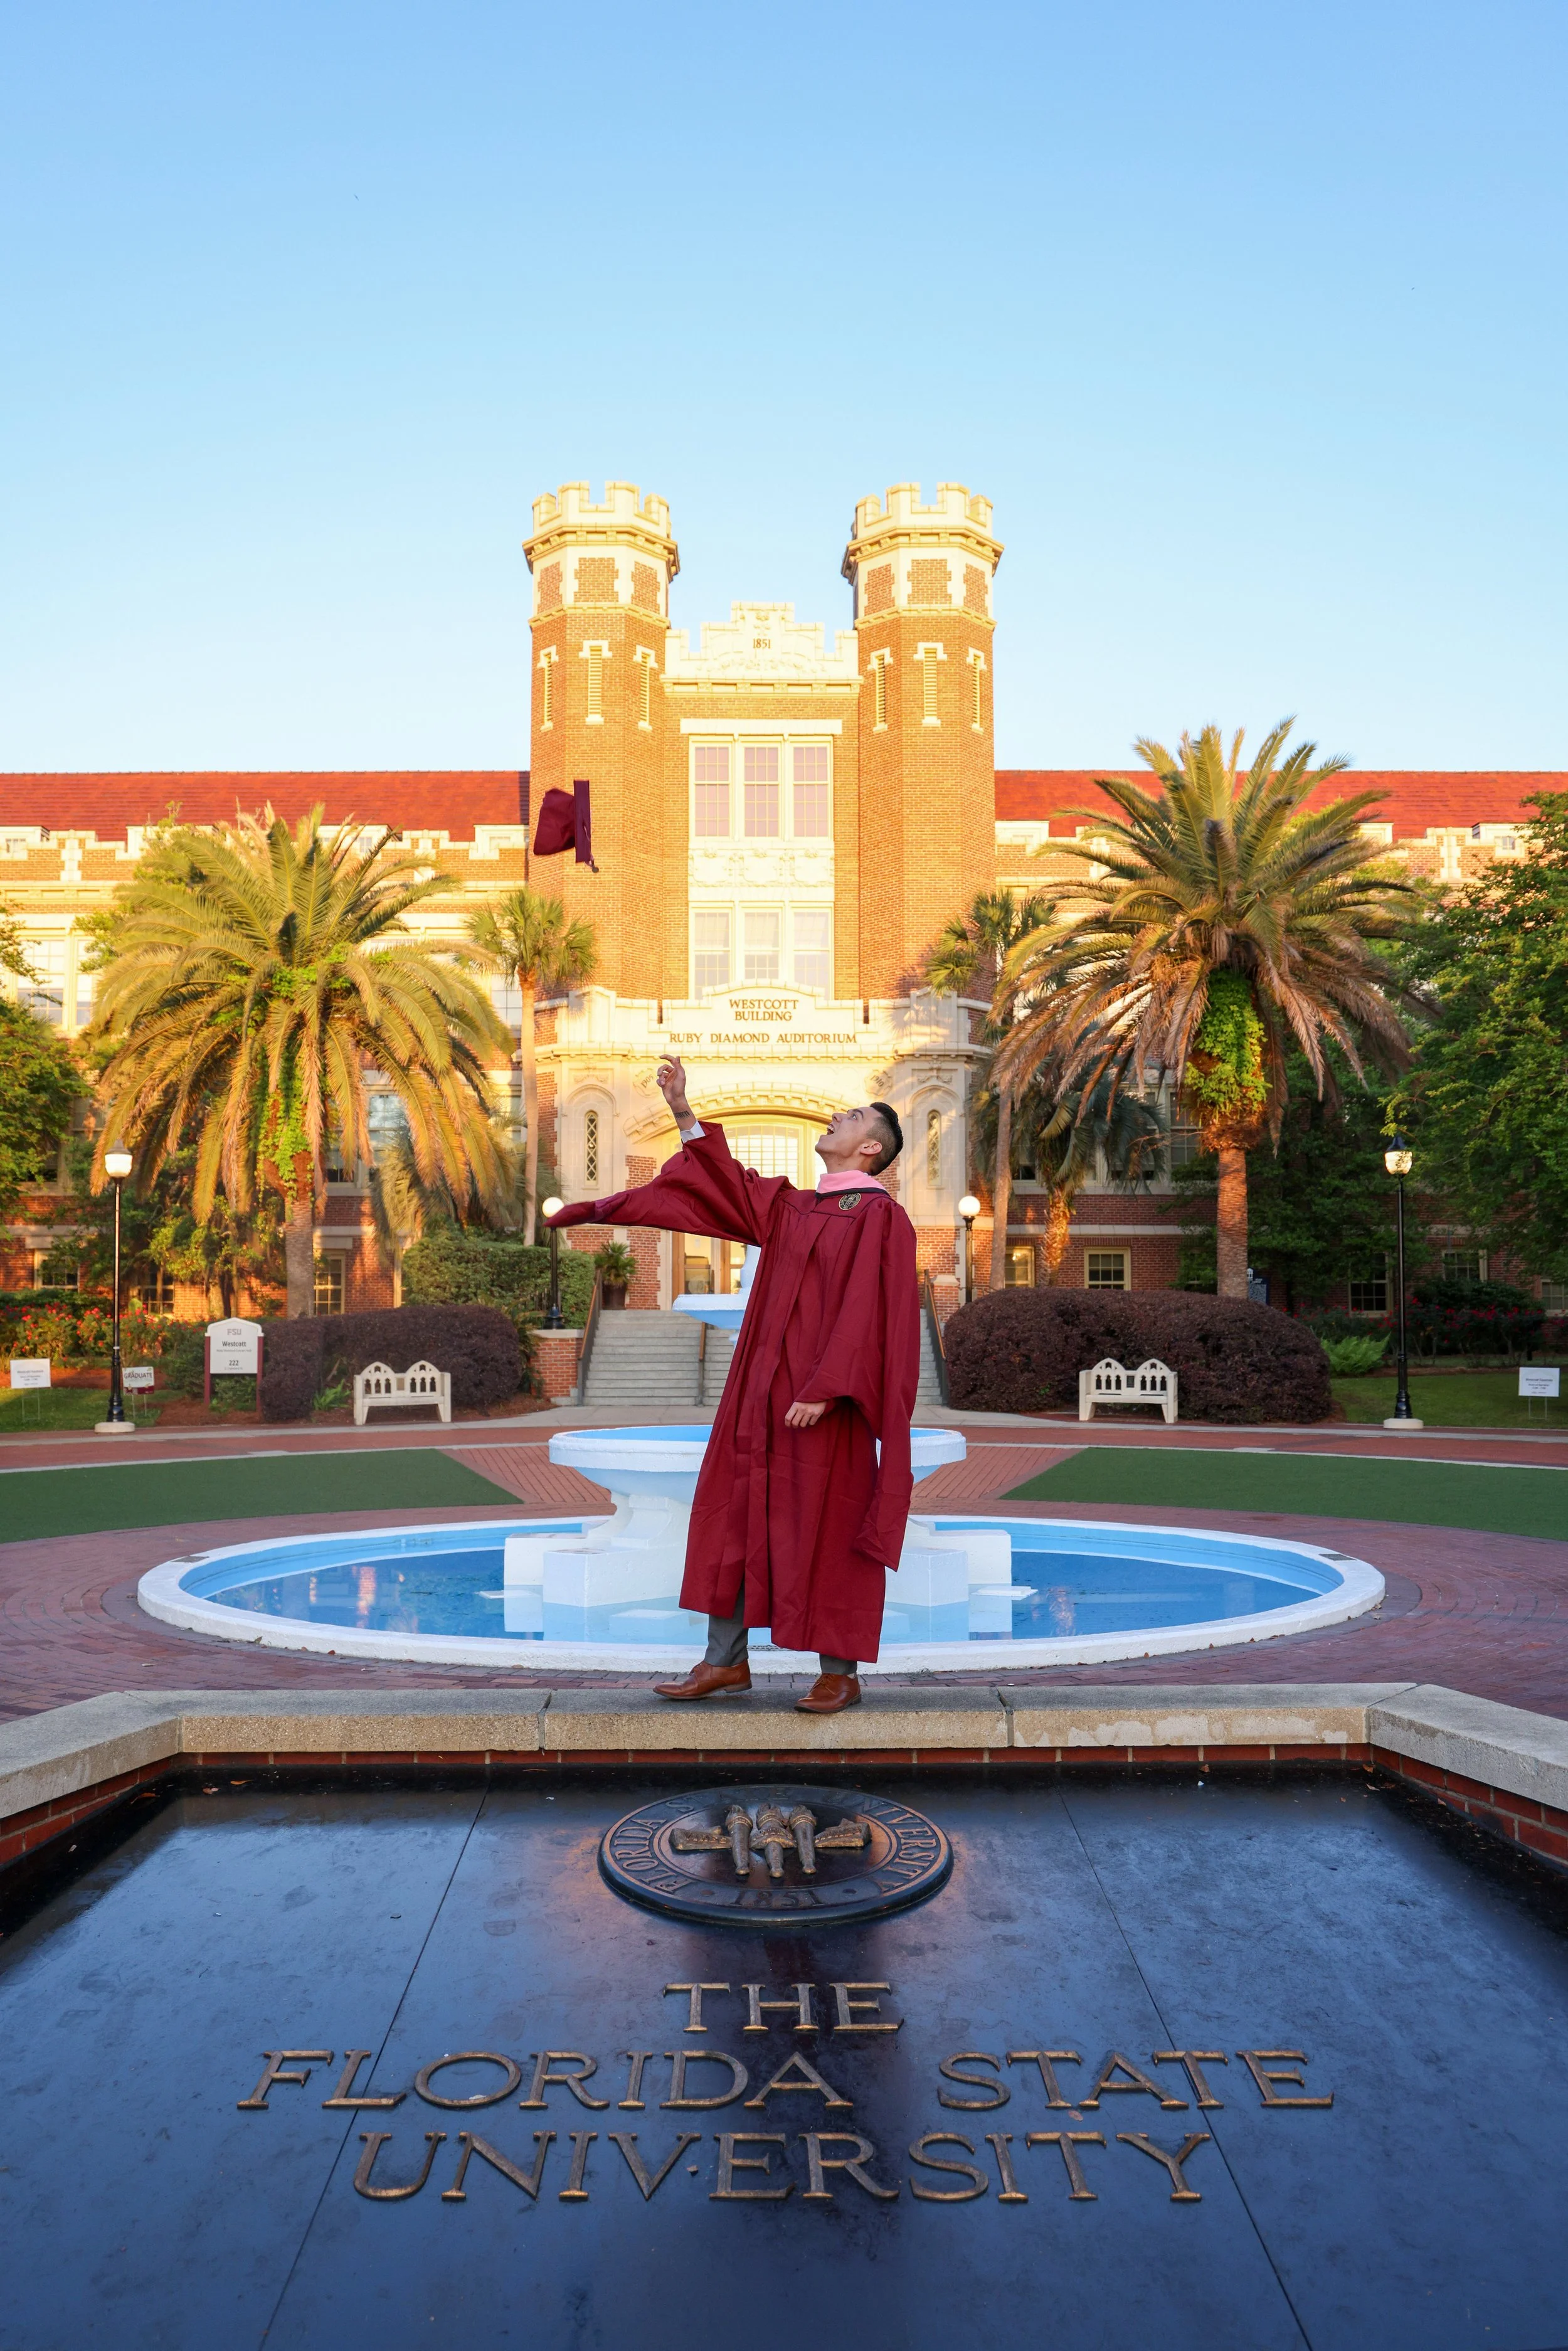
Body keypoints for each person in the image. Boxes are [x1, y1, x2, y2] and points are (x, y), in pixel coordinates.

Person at [546, 1058, 921, 1713]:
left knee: (829, 1524)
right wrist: (684, 1113)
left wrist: (828, 1386)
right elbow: (726, 1185)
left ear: (870, 1147)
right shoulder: (794, 1207)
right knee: (734, 1517)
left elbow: (868, 1309)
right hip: (759, 1393)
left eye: (855, 1116)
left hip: (823, 1405)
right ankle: (724, 1663)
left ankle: (840, 1671)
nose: (838, 1114)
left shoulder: (878, 1216)